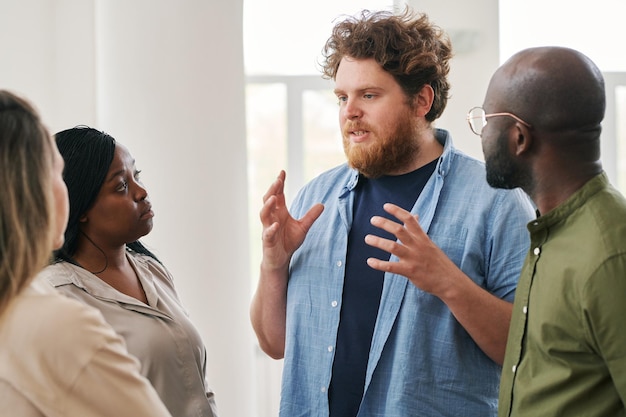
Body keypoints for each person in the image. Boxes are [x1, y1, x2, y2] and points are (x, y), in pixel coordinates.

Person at [250, 7, 536, 417]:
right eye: (342, 97)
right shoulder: (317, 199)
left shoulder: (495, 201)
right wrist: (274, 264)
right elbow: (273, 343)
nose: (349, 112)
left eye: (369, 95)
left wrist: (448, 282)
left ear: (421, 100)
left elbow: (528, 351)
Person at [468, 46, 626, 417]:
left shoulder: (609, 255)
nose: (482, 132)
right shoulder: (550, 233)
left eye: (487, 119)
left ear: (519, 138)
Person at [0, 90, 173, 417]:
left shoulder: (151, 269)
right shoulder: (59, 321)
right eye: (56, 171)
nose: (141, 191)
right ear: (32, 190)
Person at [37, 126, 218, 417]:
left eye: (137, 175)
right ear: (80, 206)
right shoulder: (57, 296)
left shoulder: (151, 271)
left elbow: (195, 387)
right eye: (121, 186)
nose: (142, 192)